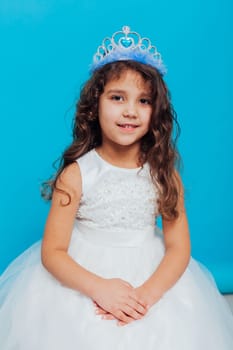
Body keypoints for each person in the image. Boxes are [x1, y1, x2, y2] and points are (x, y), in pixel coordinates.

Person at [0, 25, 233, 350]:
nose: (130, 110)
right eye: (117, 97)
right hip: (86, 275)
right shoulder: (77, 174)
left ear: (157, 111)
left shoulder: (164, 173)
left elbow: (179, 247)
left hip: (149, 276)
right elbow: (52, 252)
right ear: (95, 106)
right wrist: (100, 289)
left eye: (144, 101)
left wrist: (146, 296)